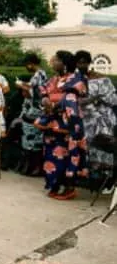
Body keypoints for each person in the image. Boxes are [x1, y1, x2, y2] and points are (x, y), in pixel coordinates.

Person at [35, 51, 88, 200]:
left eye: (56, 60)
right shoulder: (53, 79)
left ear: (64, 63)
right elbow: (43, 91)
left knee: (67, 155)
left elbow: (72, 97)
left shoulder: (76, 78)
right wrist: (44, 99)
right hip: (51, 123)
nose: (53, 62)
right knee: (51, 155)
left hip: (68, 124)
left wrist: (55, 104)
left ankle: (69, 189)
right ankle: (54, 184)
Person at [75, 50, 117, 191]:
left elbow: (113, 99)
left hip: (102, 120)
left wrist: (97, 99)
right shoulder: (74, 80)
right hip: (84, 121)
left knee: (103, 149)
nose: (81, 65)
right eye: (78, 62)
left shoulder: (102, 79)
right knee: (87, 149)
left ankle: (105, 182)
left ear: (89, 63)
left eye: (84, 62)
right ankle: (89, 179)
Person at [15, 53, 47, 176]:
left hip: (36, 111)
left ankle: (36, 168)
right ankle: (30, 166)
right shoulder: (38, 75)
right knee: (29, 141)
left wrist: (21, 85)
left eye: (26, 65)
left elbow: (35, 92)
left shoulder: (39, 74)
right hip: (32, 111)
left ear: (30, 64)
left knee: (35, 141)